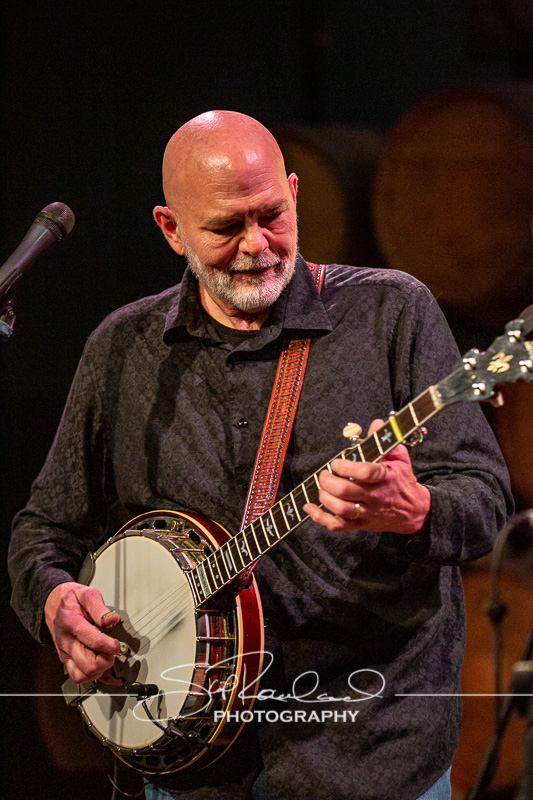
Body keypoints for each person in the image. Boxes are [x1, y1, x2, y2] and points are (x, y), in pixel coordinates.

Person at [8, 110, 512, 800]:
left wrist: (415, 510)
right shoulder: (122, 348)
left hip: (365, 757)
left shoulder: (391, 314)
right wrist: (53, 600)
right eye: (224, 227)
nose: (257, 245)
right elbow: (43, 529)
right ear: (170, 228)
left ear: (296, 192)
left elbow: (483, 499)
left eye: (271, 214)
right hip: (182, 767)